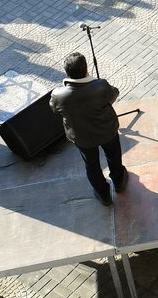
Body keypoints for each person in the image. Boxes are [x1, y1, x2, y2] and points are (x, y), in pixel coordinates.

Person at [51, 52, 124, 205]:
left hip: (82, 136)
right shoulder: (100, 85)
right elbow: (114, 94)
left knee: (91, 165)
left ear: (67, 72)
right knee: (114, 156)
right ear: (86, 68)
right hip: (107, 130)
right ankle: (119, 181)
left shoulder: (58, 95)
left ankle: (103, 195)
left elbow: (54, 109)